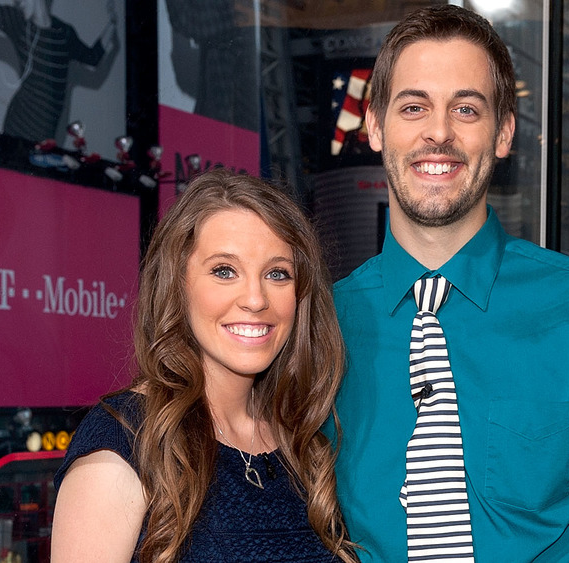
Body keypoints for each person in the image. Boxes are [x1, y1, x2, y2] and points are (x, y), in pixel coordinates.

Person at [330, 5, 569, 561]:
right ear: (376, 127)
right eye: (414, 107)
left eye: (466, 108)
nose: (439, 132)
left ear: (503, 133)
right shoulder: (320, 326)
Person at [52, 169, 358, 562]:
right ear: (178, 285)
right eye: (224, 271)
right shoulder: (127, 441)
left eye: (277, 273)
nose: (255, 298)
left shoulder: (305, 445)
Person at [0, 0, 119, 143]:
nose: (17, 2)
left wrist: (112, 23)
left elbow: (93, 58)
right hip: (18, 127)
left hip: (46, 132)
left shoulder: (64, 33)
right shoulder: (18, 22)